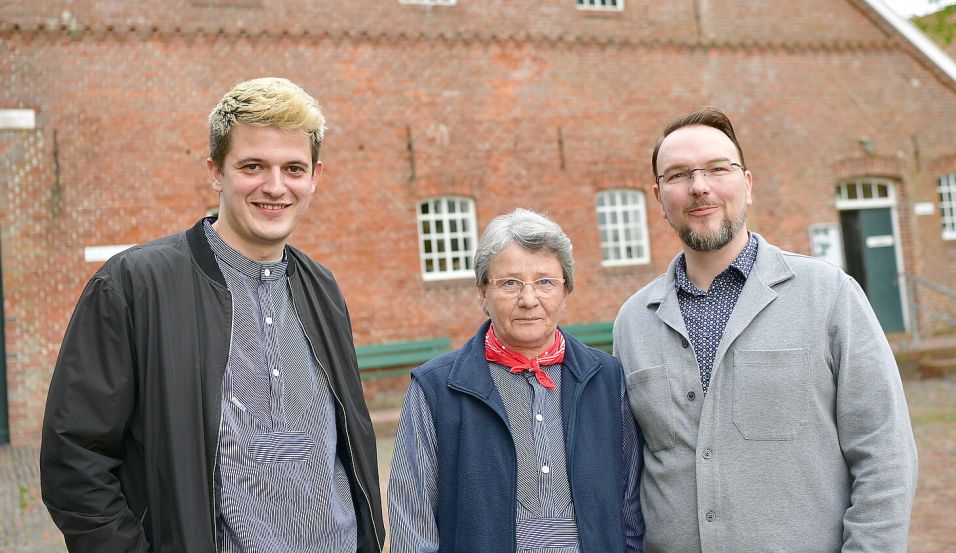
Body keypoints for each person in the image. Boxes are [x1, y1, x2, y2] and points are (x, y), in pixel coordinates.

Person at [40, 77, 384, 552]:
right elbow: (75, 460)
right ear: (216, 172)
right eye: (252, 166)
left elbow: (344, 444)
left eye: (293, 168)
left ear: (315, 178)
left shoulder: (322, 288)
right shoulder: (133, 286)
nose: (275, 186)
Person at [613, 107, 918, 552]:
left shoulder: (828, 295)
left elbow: (885, 453)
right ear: (659, 197)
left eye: (718, 169)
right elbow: (628, 474)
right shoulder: (633, 321)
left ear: (747, 184)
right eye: (679, 175)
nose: (700, 187)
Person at [388, 208, 643, 553]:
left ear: (565, 291)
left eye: (545, 282)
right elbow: (411, 519)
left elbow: (630, 504)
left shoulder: (606, 379)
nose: (528, 299)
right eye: (509, 283)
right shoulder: (435, 389)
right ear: (482, 293)